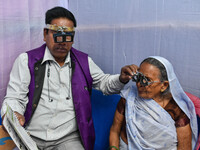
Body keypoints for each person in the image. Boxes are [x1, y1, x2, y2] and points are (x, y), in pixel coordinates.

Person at [1, 6, 136, 150]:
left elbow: (105, 84)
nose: (62, 42)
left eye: (67, 36)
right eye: (57, 34)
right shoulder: (26, 60)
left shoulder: (84, 62)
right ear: (45, 34)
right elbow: (14, 97)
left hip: (67, 139)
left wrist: (121, 78)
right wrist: (15, 113)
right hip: (30, 135)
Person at [109, 56, 198, 150]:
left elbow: (184, 147)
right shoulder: (128, 98)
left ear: (164, 85)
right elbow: (115, 130)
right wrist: (114, 148)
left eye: (146, 81)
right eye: (138, 78)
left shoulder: (176, 109)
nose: (139, 84)